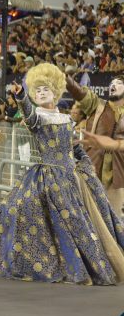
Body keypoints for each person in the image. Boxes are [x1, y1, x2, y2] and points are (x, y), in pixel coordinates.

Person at [0, 64, 124, 284]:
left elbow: (76, 148)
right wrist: (21, 97)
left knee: (77, 223)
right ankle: (24, 259)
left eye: (45, 90)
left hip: (69, 178)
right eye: (37, 90)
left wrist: (86, 167)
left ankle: (77, 265)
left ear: (56, 93)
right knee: (12, 207)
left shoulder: (66, 119)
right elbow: (29, 117)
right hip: (44, 175)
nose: (41, 93)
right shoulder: (37, 118)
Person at [66, 73, 124, 217]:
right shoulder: (97, 105)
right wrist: (67, 80)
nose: (113, 85)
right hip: (92, 173)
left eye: (118, 83)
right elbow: (80, 93)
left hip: (116, 183)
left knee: (112, 224)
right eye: (112, 83)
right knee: (86, 220)